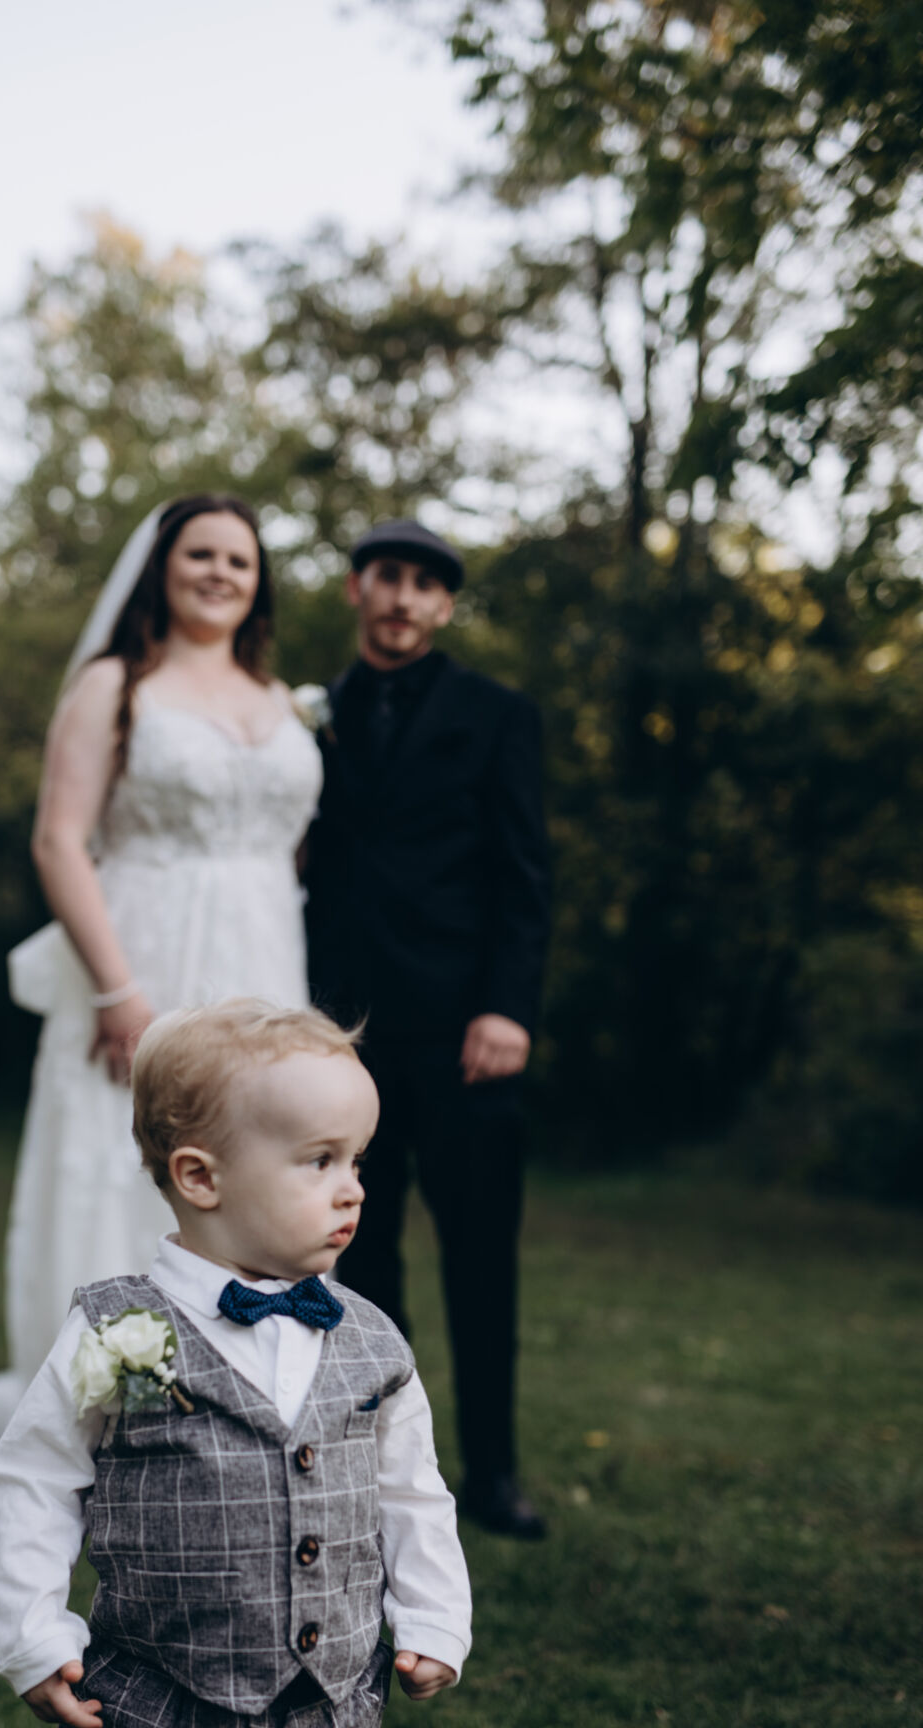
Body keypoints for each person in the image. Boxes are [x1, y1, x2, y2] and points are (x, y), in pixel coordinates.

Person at [0, 998, 471, 1728]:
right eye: (319, 1161)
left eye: (358, 1160)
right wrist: (35, 1635)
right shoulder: (121, 1332)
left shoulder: (371, 1340)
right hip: (151, 1717)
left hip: (325, 1718)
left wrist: (435, 1617)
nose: (353, 1189)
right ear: (201, 1177)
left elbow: (412, 1492)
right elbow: (36, 1479)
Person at [0, 498, 322, 1446]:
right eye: (200, 554)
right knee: (123, 1156)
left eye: (239, 560)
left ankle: (242, 1393)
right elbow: (58, 840)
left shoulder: (279, 700)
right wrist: (117, 993)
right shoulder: (116, 684)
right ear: (162, 568)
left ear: (259, 582)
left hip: (263, 957)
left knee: (254, 1156)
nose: (219, 573)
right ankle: (114, 1399)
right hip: (144, 950)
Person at [304, 519, 552, 1539]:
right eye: (387, 577)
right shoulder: (310, 716)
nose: (403, 597)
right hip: (341, 1036)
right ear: (358, 589)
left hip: (463, 1034)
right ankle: (379, 1469)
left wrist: (507, 1006)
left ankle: (492, 1475)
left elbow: (524, 874)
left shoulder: (497, 715)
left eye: (424, 584)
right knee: (356, 1261)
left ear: (443, 606)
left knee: (479, 1260)